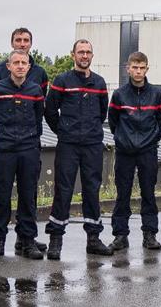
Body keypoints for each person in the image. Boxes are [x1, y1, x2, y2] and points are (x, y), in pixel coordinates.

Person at [44, 39, 111, 260]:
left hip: (92, 144)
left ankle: (93, 239)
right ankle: (56, 240)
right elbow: (50, 111)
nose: (84, 56)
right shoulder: (62, 80)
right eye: (80, 52)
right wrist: (63, 130)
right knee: (63, 190)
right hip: (68, 145)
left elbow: (102, 113)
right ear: (73, 55)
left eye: (88, 52)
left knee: (92, 190)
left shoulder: (99, 82)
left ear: (92, 55)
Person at [0, 50, 46, 262]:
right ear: (8, 66)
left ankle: (27, 241)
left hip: (28, 150)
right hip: (5, 150)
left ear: (29, 66)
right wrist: (1, 139)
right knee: (1, 197)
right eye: (16, 62)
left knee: (28, 197)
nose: (20, 66)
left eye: (23, 63)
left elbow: (38, 120)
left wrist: (30, 142)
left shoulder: (35, 90)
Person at [108, 50, 161, 252]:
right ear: (128, 68)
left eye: (142, 68)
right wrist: (122, 140)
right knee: (122, 194)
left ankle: (149, 235)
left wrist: (151, 140)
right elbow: (113, 122)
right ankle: (120, 235)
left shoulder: (157, 94)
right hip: (124, 152)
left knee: (148, 194)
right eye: (135, 67)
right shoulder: (119, 94)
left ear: (147, 69)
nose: (138, 71)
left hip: (148, 151)